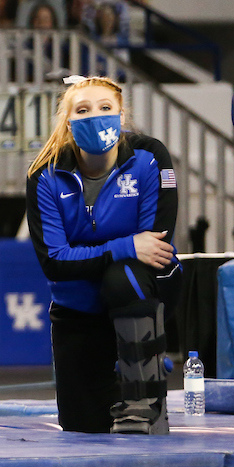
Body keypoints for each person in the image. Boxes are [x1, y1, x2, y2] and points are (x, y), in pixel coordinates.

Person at [26, 75, 180, 434]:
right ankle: (138, 356)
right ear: (68, 122)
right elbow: (53, 262)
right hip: (77, 307)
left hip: (140, 286)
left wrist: (102, 255)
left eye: (105, 108)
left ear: (121, 116)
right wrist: (124, 245)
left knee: (122, 275)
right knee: (82, 426)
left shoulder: (150, 156)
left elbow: (155, 243)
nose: (95, 116)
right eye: (83, 110)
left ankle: (145, 396)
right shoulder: (44, 175)